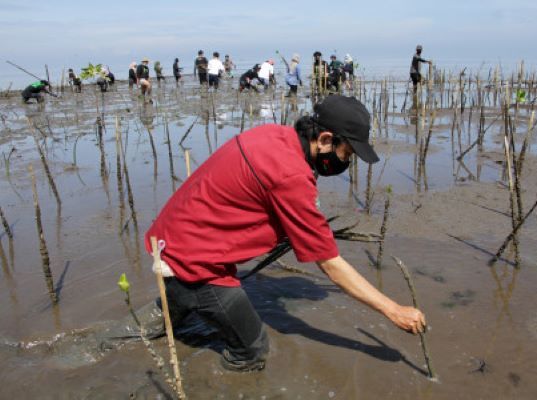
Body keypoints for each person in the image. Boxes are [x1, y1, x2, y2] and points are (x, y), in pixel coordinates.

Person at [144, 95, 427, 372]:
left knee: (169, 316)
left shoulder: (274, 135)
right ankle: (207, 382)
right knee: (253, 351)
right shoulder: (291, 177)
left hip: (168, 241)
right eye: (348, 153)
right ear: (326, 140)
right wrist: (393, 309)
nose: (346, 162)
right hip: (192, 264)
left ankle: (160, 315)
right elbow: (331, 264)